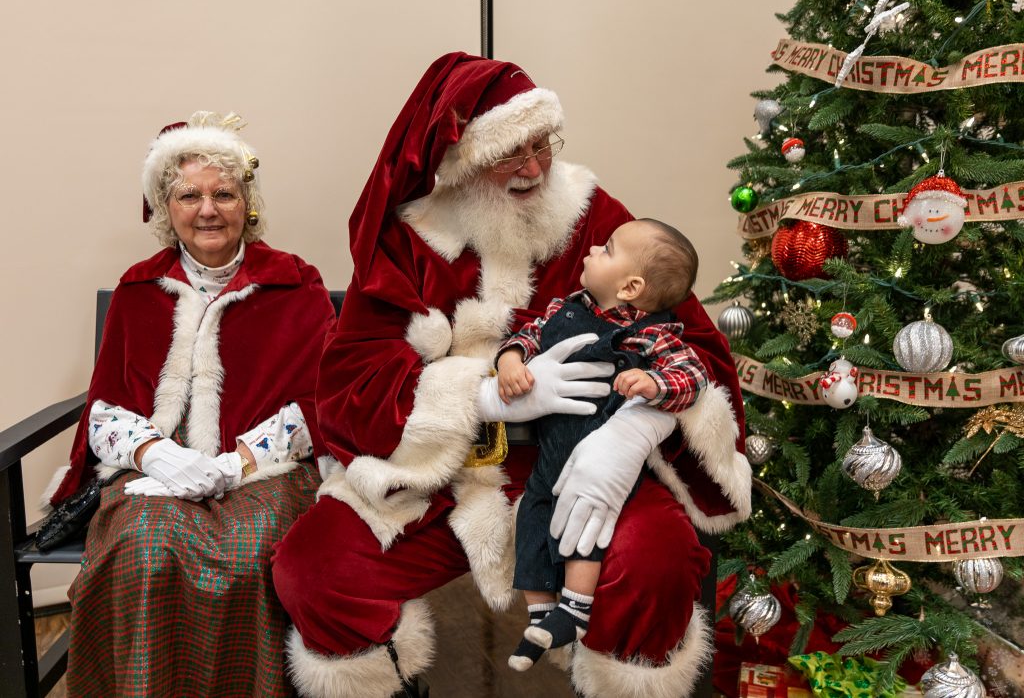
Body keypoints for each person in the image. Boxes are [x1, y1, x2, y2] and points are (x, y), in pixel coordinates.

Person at [272, 53, 752, 698]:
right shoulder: (410, 239)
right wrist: (484, 399)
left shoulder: (594, 217)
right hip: (444, 476)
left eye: (541, 145)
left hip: (587, 468)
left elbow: (694, 346)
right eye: (509, 153)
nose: (532, 167)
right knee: (315, 570)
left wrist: (630, 436)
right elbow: (350, 383)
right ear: (462, 160)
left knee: (656, 560)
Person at [44, 111, 335, 696]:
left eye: (224, 193)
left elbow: (323, 403)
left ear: (246, 203)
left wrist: (238, 462)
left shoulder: (295, 283)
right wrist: (155, 454)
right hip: (155, 478)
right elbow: (102, 411)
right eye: (189, 195)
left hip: (265, 474)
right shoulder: (138, 289)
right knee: (146, 549)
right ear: (165, 207)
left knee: (256, 553)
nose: (208, 209)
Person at [497, 218, 710, 671]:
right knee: (533, 519)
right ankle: (540, 616)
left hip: (601, 459)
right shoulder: (562, 309)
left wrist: (653, 381)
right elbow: (527, 335)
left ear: (631, 287)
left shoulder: (653, 334)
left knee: (587, 526)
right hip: (551, 452)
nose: (592, 248)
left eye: (607, 249)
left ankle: (574, 608)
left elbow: (695, 376)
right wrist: (511, 360)